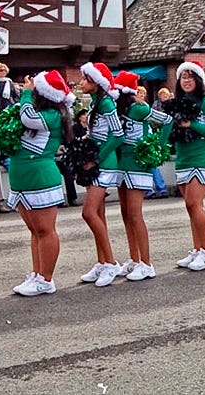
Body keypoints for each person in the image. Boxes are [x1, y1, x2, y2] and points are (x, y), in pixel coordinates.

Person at [8, 70, 75, 296]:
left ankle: (46, 279)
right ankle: (37, 273)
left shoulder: (54, 114)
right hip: (23, 176)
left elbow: (28, 118)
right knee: (35, 230)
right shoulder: (42, 111)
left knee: (45, 230)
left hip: (41, 176)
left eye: (35, 88)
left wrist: (25, 95)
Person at [162, 62, 205, 272]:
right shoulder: (177, 103)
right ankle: (198, 249)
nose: (186, 81)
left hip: (203, 157)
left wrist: (192, 124)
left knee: (194, 203)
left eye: (190, 76)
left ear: (199, 80)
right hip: (184, 157)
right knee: (190, 206)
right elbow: (169, 128)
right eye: (183, 77)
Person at [111, 71, 169, 281]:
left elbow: (167, 121)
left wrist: (157, 148)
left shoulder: (139, 108)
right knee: (126, 213)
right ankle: (134, 258)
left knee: (135, 214)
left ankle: (147, 263)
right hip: (122, 163)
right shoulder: (121, 109)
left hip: (137, 163)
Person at [77, 62, 124, 288]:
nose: (81, 83)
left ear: (96, 82)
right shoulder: (96, 102)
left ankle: (112, 262)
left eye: (85, 79)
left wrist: (96, 157)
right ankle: (102, 261)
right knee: (99, 214)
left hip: (104, 164)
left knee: (88, 213)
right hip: (96, 161)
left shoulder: (106, 103)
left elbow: (118, 135)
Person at [146, 87, 170, 198]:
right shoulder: (152, 105)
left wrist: (161, 143)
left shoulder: (144, 108)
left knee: (152, 165)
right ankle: (149, 189)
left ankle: (160, 188)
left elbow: (167, 120)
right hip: (143, 139)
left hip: (148, 138)